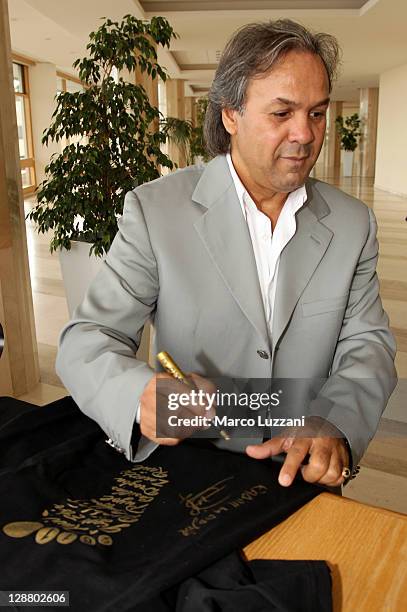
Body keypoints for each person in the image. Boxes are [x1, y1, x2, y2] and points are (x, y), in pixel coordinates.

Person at [56, 19, 397, 490]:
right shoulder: (156, 212)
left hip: (301, 472)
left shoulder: (351, 223)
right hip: (188, 466)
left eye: (317, 114)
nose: (305, 134)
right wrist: (140, 395)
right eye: (282, 113)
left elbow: (368, 346)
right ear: (229, 115)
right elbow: (87, 338)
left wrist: (335, 422)